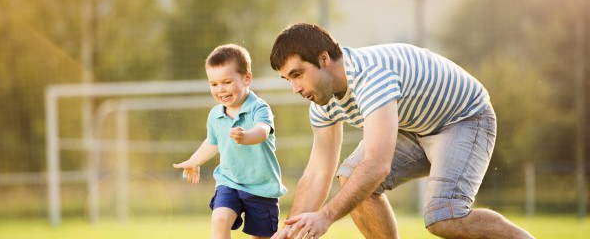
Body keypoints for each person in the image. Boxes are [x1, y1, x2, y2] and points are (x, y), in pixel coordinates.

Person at [268, 23, 534, 239]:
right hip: (414, 127)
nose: (296, 88)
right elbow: (317, 172)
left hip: (463, 118)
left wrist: (325, 217)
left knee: (444, 217)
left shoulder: (371, 77)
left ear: (324, 59)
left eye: (298, 74)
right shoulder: (322, 100)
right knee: (351, 179)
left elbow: (377, 164)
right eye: (289, 79)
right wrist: (292, 229)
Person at [173, 44, 287, 239]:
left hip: (262, 188)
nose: (220, 90)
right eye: (214, 84)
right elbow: (212, 142)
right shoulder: (215, 115)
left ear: (246, 79)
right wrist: (194, 161)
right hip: (229, 182)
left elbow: (262, 130)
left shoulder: (259, 108)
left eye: (226, 82)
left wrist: (246, 137)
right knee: (220, 219)